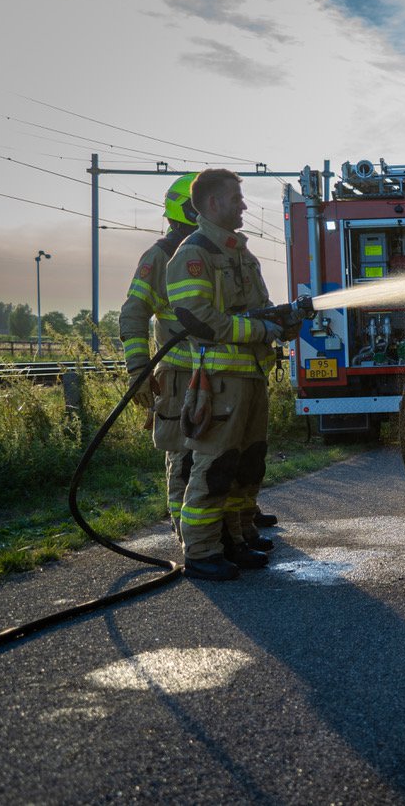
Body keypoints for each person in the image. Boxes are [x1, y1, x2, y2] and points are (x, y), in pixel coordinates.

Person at [167, 169, 292, 580]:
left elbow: (259, 308)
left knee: (246, 466)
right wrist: (258, 330)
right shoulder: (194, 254)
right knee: (215, 466)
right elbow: (197, 319)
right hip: (220, 383)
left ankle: (235, 540)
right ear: (213, 203)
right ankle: (202, 552)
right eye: (236, 198)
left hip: (250, 378)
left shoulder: (242, 254)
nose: (244, 205)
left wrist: (284, 320)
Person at [118, 173, 199, 535]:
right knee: (184, 460)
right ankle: (189, 536)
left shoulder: (211, 251)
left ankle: (228, 531)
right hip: (180, 378)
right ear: (189, 210)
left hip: (217, 374)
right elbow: (133, 313)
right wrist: (138, 370)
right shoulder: (161, 256)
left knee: (222, 456)